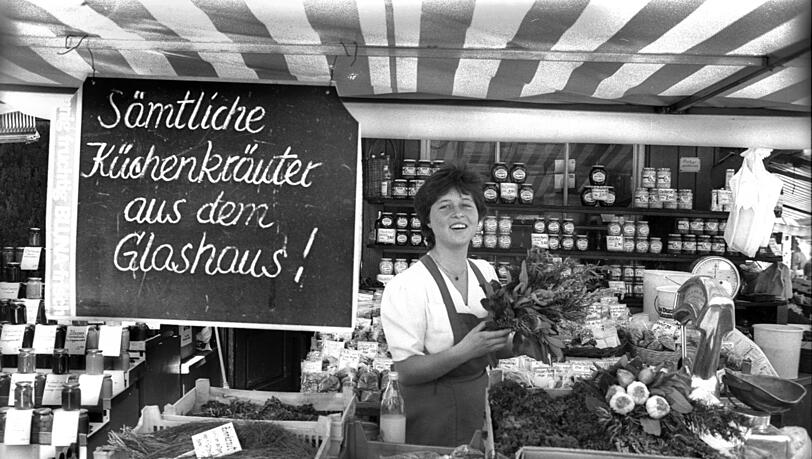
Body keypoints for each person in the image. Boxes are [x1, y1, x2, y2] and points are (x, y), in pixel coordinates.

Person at [380, 163, 513, 447]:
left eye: (467, 205)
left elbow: (496, 347)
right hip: (429, 419)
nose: (458, 213)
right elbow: (406, 371)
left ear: (478, 218)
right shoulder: (408, 285)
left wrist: (531, 340)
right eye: (445, 206)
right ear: (427, 220)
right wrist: (464, 351)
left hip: (478, 410)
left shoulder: (486, 273)